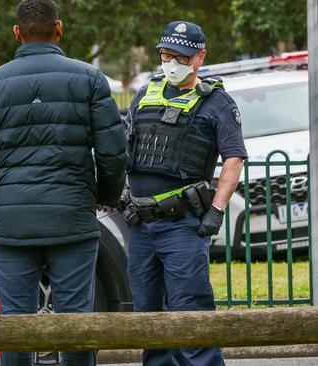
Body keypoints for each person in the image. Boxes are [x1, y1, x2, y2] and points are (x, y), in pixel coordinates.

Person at [0, 1, 128, 365]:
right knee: (76, 323)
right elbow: (114, 154)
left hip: (11, 226)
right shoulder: (89, 79)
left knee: (16, 326)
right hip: (72, 219)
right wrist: (103, 196)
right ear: (60, 28)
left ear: (17, 32)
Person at [123, 21, 247, 366]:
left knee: (191, 313)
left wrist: (217, 210)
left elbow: (234, 158)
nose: (171, 63)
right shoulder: (145, 93)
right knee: (148, 317)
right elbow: (124, 147)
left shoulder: (217, 102)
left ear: (199, 57)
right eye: (165, 55)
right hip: (141, 223)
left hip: (183, 226)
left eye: (179, 56)